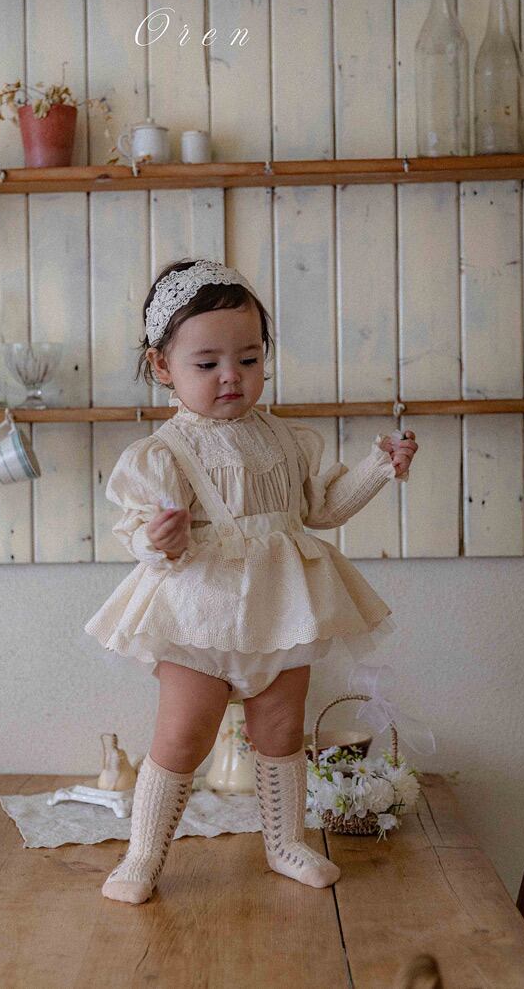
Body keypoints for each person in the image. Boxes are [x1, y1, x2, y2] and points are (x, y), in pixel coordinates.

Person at [83, 257, 418, 904]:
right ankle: (143, 855)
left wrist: (378, 468)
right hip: (198, 613)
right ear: (162, 366)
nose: (231, 376)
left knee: (282, 730)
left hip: (279, 609)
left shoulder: (286, 441)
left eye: (249, 358)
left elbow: (322, 509)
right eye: (207, 364)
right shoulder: (165, 453)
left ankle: (286, 843)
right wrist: (160, 539)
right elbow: (138, 530)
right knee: (183, 735)